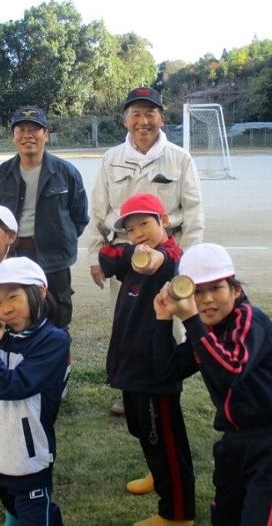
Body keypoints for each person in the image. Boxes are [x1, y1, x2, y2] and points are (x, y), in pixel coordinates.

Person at [156, 243, 272, 526]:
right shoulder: (207, 331)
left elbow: (230, 370)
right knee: (225, 517)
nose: (207, 300)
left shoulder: (250, 320)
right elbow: (166, 371)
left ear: (236, 290)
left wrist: (191, 320)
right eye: (197, 292)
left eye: (216, 288)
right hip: (235, 440)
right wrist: (163, 321)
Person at [82, 86, 204, 420]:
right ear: (125, 120)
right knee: (127, 323)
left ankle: (165, 387)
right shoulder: (111, 158)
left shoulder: (179, 158)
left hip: (169, 256)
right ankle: (129, 388)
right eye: (136, 114)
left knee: (171, 325)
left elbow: (193, 214)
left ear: (161, 117)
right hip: (124, 257)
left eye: (150, 113)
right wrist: (96, 256)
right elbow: (98, 211)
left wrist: (188, 265)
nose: (143, 121)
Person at [99, 193, 195, 526]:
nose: (138, 232)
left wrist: (146, 256)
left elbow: (164, 261)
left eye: (145, 224)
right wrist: (131, 250)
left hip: (156, 369)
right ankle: (157, 472)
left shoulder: (171, 254)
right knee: (144, 432)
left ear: (164, 221)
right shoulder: (132, 255)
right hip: (132, 367)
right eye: (131, 228)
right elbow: (105, 255)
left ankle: (178, 515)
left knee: (166, 442)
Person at [0, 257, 70, 526]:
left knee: (37, 517)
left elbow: (12, 387)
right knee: (25, 514)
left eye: (13, 297)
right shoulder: (4, 338)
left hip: (29, 461)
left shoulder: (54, 341)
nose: (6, 309)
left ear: (40, 292)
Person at [0, 106, 89, 333]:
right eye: (21, 129)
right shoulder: (0, 175)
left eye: (35, 129)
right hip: (14, 255)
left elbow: (79, 217)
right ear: (13, 136)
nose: (28, 135)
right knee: (17, 315)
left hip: (54, 257)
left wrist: (60, 237)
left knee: (58, 315)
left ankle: (61, 365)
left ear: (46, 134)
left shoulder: (66, 172)